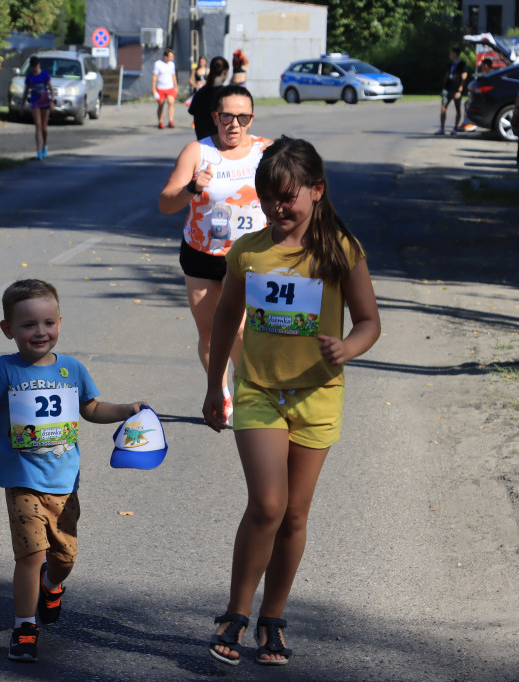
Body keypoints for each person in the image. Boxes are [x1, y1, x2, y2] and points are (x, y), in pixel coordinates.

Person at [202, 136, 380, 667]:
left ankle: (272, 618)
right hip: (259, 391)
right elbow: (224, 319)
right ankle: (235, 612)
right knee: (268, 506)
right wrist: (217, 385)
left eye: (287, 197)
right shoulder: (248, 252)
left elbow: (370, 322)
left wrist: (347, 346)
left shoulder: (340, 250)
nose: (277, 208)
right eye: (267, 197)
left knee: (296, 515)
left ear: (316, 192)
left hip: (318, 395)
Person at [0, 279, 148, 663]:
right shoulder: (2, 370)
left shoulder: (72, 370)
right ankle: (25, 626)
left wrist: (127, 409)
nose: (39, 332)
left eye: (47, 323)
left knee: (64, 559)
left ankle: (51, 586)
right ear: (8, 330)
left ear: (59, 321)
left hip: (65, 483)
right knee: (30, 555)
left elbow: (91, 409)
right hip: (22, 480)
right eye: (28, 325)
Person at [160, 84, 271, 425]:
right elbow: (166, 203)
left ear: (251, 119)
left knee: (239, 329)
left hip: (252, 256)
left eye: (243, 117)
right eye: (227, 116)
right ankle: (219, 392)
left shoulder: (267, 151)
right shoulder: (197, 152)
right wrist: (192, 187)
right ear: (215, 117)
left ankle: (246, 389)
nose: (234, 124)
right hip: (203, 253)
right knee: (209, 332)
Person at [187, 56, 229, 139]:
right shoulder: (226, 94)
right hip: (220, 143)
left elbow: (192, 111)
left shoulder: (199, 93)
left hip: (202, 141)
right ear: (225, 71)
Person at [23, 56, 53, 159]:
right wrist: (22, 103)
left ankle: (45, 146)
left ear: (38, 65)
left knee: (44, 128)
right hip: (35, 103)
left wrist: (52, 101)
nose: (34, 69)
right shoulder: (30, 77)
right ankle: (38, 151)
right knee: (38, 125)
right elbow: (26, 91)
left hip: (45, 103)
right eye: (32, 67)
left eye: (35, 67)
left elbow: (51, 89)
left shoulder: (44, 75)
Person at [437, 47, 468, 135]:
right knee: (443, 107)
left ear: (455, 54)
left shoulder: (462, 64)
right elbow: (447, 76)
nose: (450, 55)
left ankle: (455, 128)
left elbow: (464, 78)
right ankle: (442, 128)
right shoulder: (450, 64)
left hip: (456, 90)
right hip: (447, 89)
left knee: (457, 109)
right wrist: (443, 88)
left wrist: (460, 91)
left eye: (451, 53)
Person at [153, 48, 179, 129]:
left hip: (170, 87)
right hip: (160, 88)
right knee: (161, 105)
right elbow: (154, 77)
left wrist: (176, 86)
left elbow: (173, 76)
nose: (172, 58)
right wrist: (153, 89)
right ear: (165, 56)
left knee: (171, 102)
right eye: (171, 56)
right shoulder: (158, 64)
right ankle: (160, 122)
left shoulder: (172, 64)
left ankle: (170, 121)